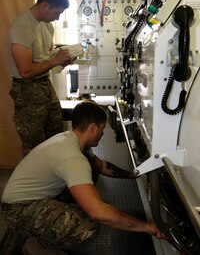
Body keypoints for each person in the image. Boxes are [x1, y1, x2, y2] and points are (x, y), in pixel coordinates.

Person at [1, 102, 165, 254]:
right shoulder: (73, 157)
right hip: (17, 209)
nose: (102, 133)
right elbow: (98, 212)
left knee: (91, 172)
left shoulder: (71, 139)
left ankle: (41, 230)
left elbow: (101, 166)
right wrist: (146, 227)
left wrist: (133, 175)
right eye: (102, 128)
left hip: (31, 196)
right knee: (87, 225)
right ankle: (38, 246)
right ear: (93, 127)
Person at [8, 0, 73, 157]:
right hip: (27, 89)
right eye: (56, 13)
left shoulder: (47, 25)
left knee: (55, 133)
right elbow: (26, 71)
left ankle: (52, 179)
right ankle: (33, 182)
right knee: (34, 143)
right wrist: (54, 61)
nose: (57, 18)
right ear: (44, 5)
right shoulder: (22, 27)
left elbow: (46, 59)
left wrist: (61, 61)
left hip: (45, 84)